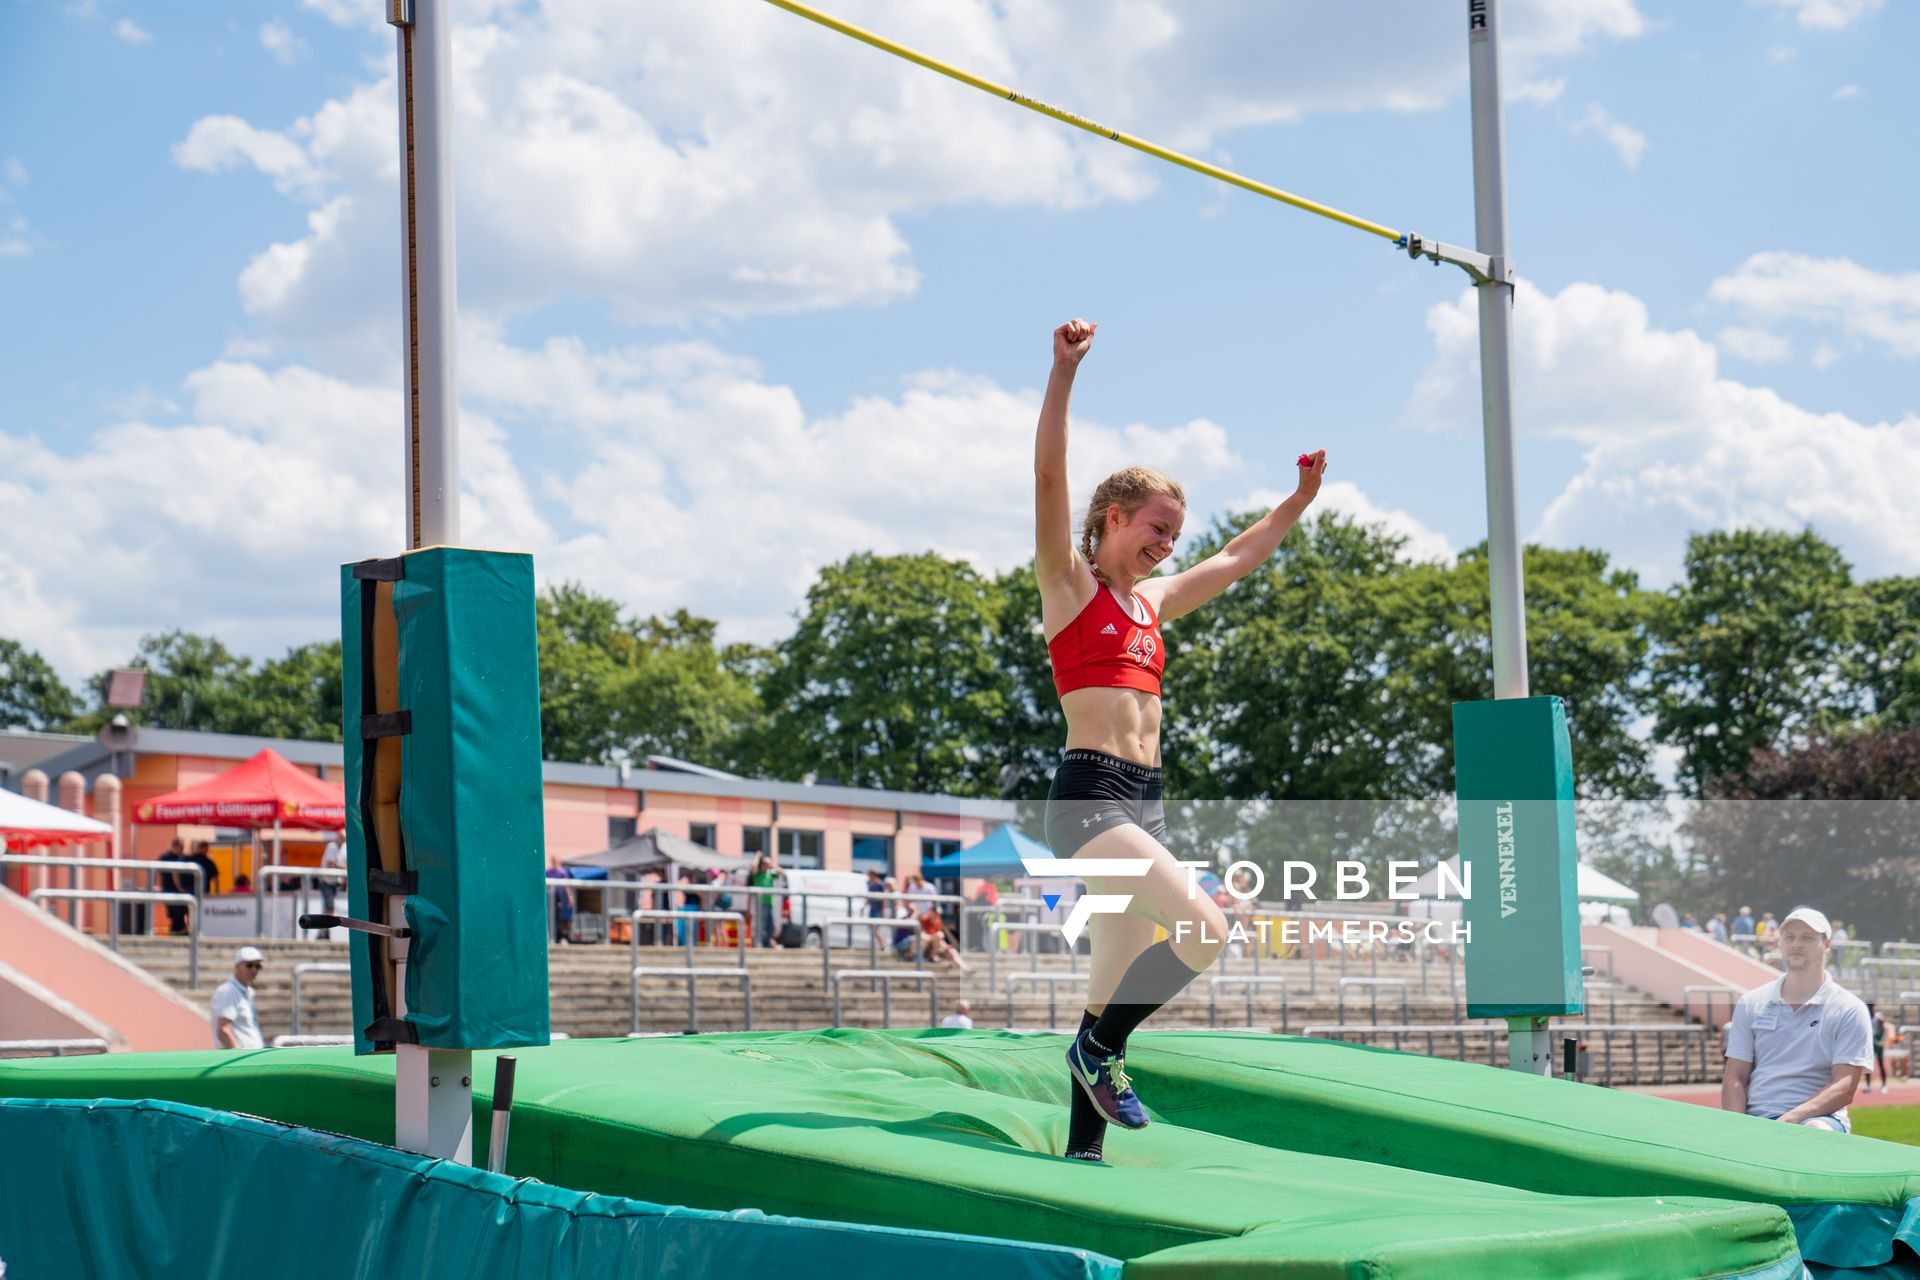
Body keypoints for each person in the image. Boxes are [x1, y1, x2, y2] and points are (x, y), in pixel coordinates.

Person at [1034, 317, 1324, 1162]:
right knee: (1204, 927)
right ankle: (1099, 1053)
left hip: (1144, 805)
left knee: (1108, 986)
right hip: (1090, 798)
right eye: (1156, 530)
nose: (1166, 547)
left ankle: (1082, 1151)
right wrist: (1064, 374)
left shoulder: (1152, 606)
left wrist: (1296, 504)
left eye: (1173, 537)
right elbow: (1050, 474)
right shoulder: (1070, 584)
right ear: (1116, 517)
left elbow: (1237, 558)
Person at [1721, 907, 1874, 1132]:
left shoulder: (1849, 1008)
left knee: (1813, 1130)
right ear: (1780, 943)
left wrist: (1789, 1120)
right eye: (1789, 937)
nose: (1796, 944)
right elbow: (1735, 1076)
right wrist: (1738, 1128)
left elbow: (1845, 1086)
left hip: (1819, 1119)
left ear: (1827, 945)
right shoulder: (1751, 1001)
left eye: (1808, 937)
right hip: (1757, 1117)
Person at [211, 946, 267, 1049]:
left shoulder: (244, 991)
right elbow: (223, 1031)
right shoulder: (229, 991)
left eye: (257, 966)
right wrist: (238, 1059)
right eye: (249, 965)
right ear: (237, 966)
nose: (254, 970)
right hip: (241, 1061)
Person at [156, 837, 190, 935]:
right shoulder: (166, 857)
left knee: (182, 912)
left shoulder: (182, 857)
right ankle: (176, 933)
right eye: (181, 848)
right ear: (175, 846)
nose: (182, 850)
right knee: (175, 914)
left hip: (179, 891)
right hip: (170, 890)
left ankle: (179, 932)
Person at [750, 855, 779, 948]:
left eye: (768, 864)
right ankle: (759, 944)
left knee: (771, 927)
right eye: (765, 863)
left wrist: (773, 865)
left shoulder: (771, 874)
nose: (767, 865)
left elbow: (782, 872)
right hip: (760, 903)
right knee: (761, 926)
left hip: (770, 903)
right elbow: (753, 867)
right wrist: (757, 856)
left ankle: (765, 943)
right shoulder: (758, 874)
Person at [319, 832, 348, 916]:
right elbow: (331, 864)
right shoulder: (332, 846)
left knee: (330, 907)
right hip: (326, 881)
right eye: (342, 838)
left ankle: (325, 927)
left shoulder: (343, 847)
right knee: (329, 907)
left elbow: (340, 863)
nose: (343, 840)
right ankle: (324, 927)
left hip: (335, 881)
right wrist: (345, 867)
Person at [1868, 1003, 1893, 1094]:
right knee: (1868, 1064)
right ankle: (1868, 1085)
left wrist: (1881, 1040)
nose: (1870, 1009)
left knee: (1881, 1063)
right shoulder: (1865, 1017)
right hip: (1870, 1043)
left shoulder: (1878, 1017)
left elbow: (1883, 1029)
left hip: (1878, 1042)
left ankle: (1884, 1085)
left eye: (1871, 1007)